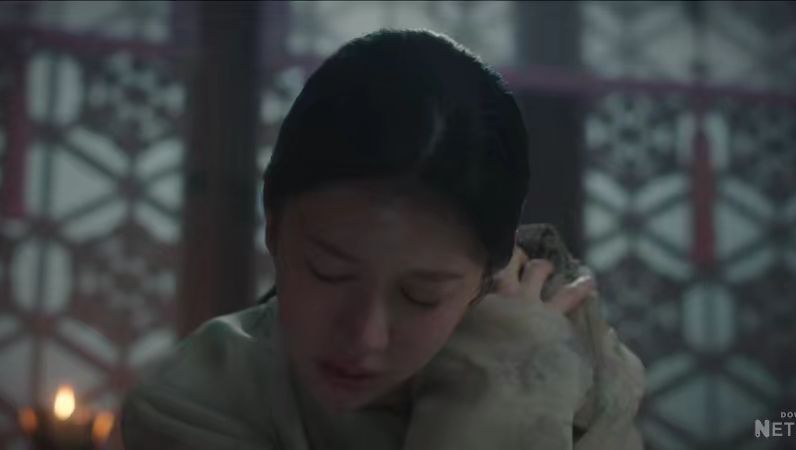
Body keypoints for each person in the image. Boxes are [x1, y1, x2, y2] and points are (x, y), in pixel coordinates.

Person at [121, 29, 646, 450]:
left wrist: (517, 362)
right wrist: (506, 386)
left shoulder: (576, 366)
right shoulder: (197, 401)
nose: (364, 337)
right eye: (329, 272)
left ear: (486, 277)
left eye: (421, 295)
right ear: (274, 225)